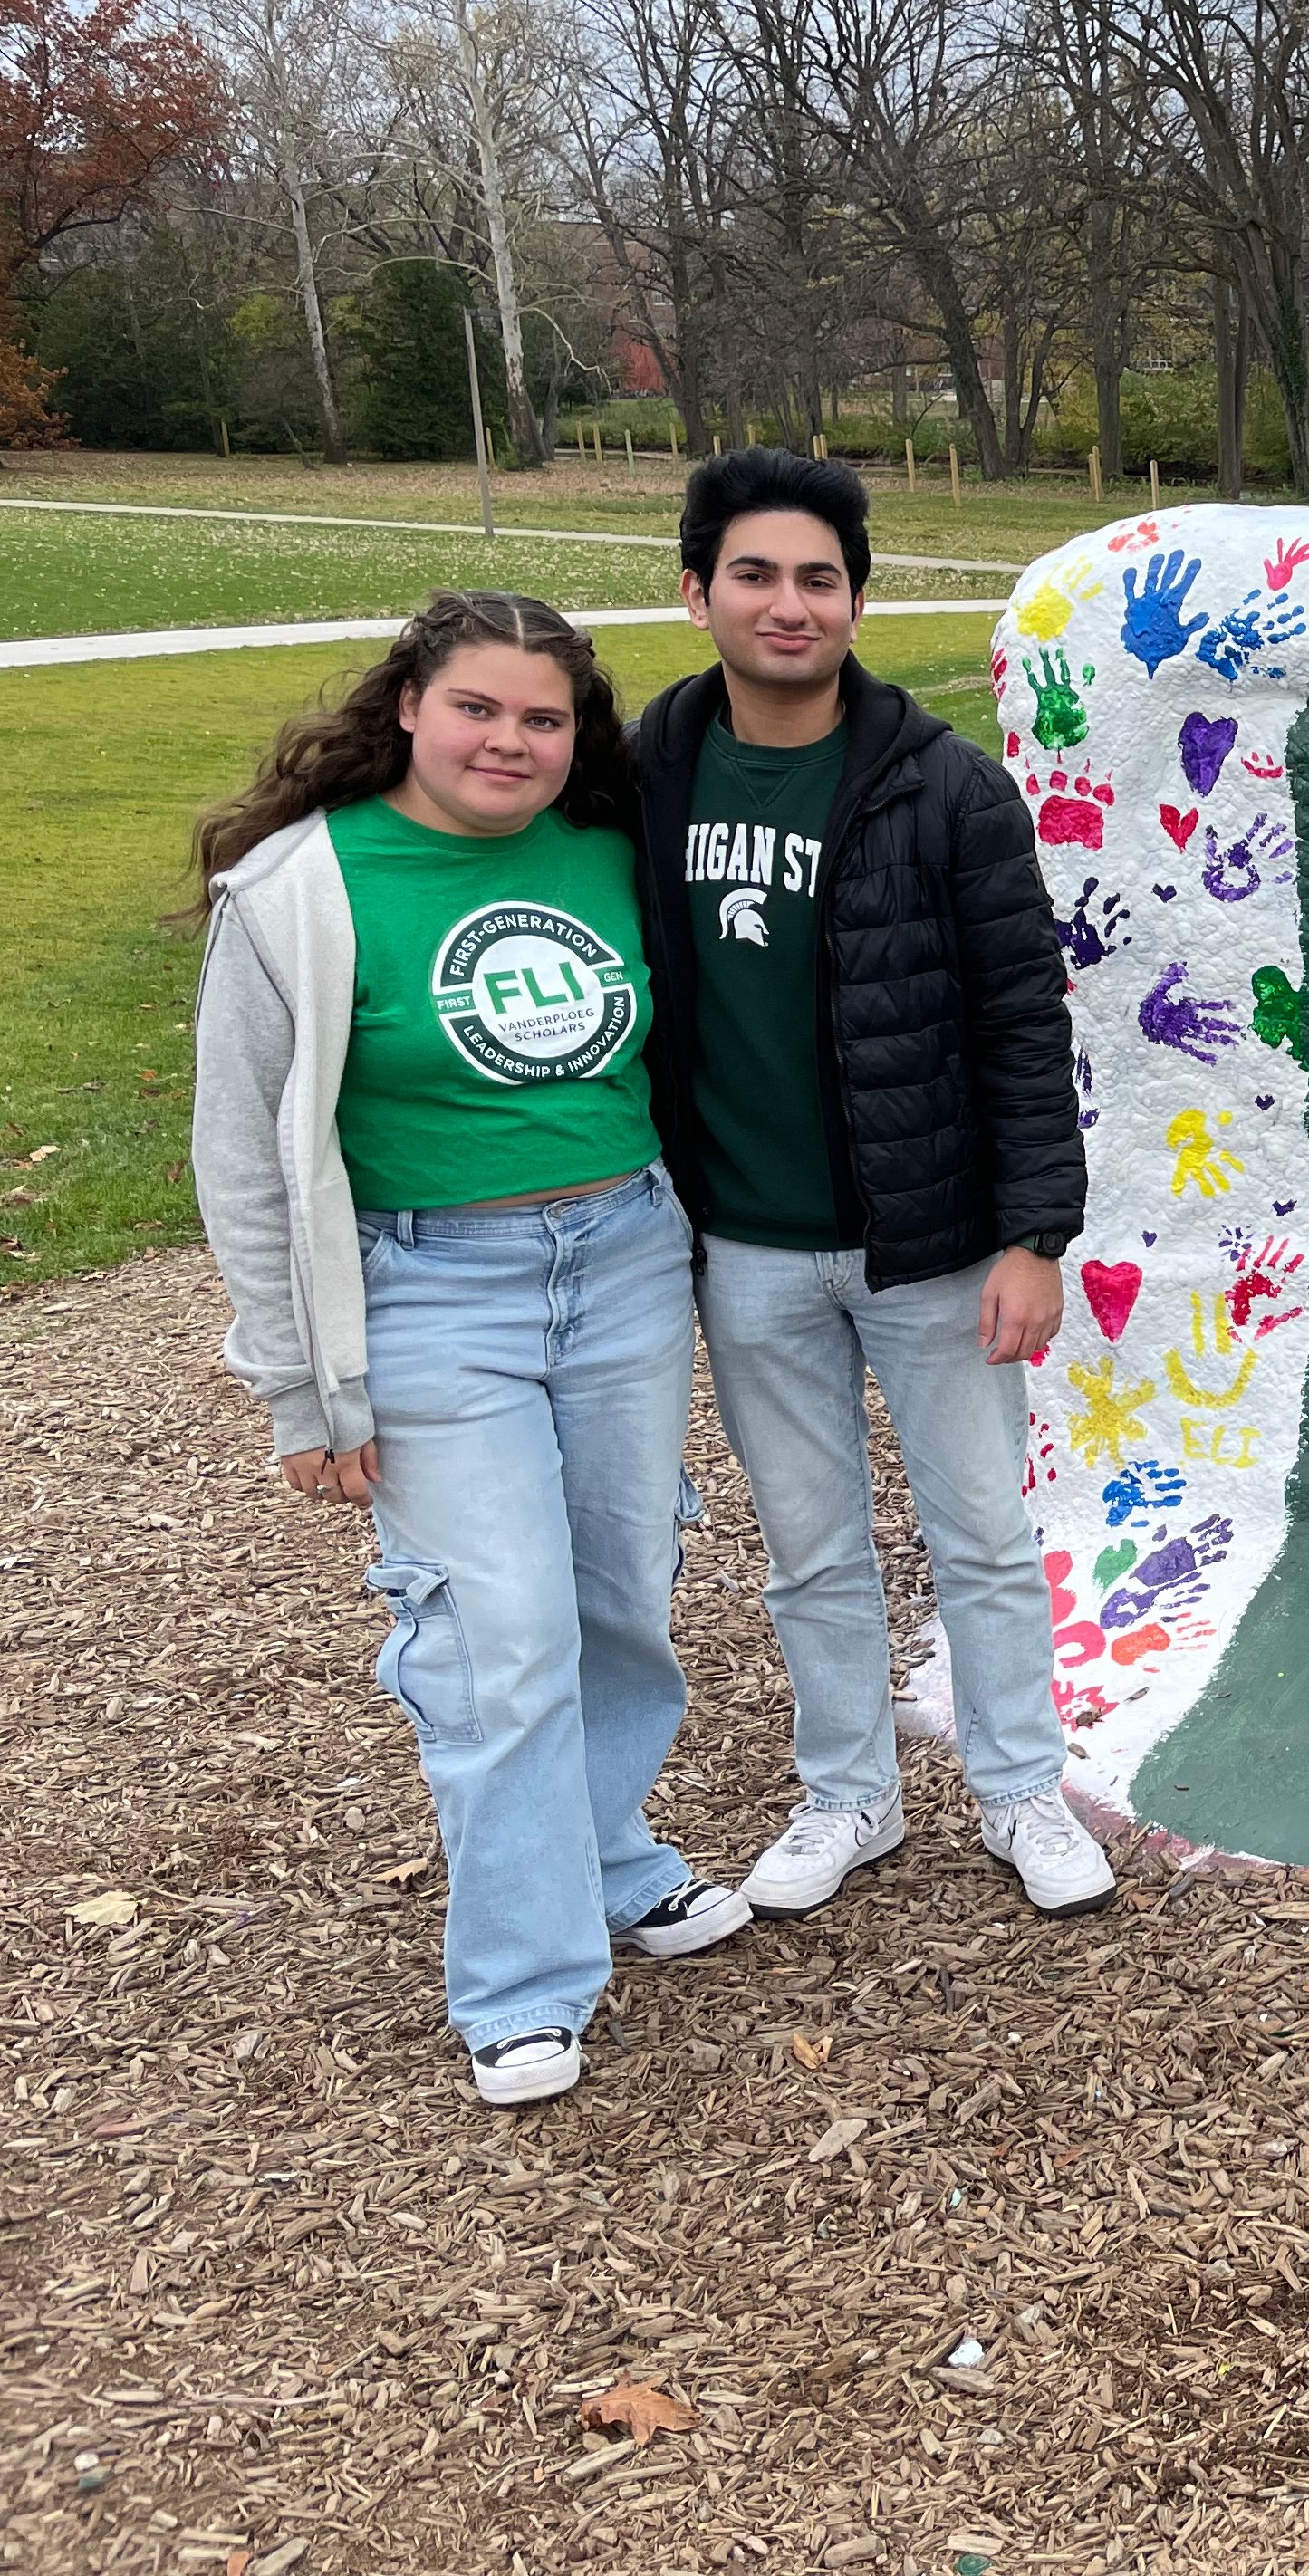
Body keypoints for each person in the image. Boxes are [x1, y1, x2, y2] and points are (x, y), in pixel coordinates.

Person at [189, 591, 747, 2110]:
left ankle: (612, 1852)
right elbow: (242, 1160)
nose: (511, 741)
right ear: (412, 708)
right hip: (432, 1289)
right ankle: (521, 1977)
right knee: (499, 1635)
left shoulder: (610, 854)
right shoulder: (298, 886)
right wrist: (301, 1388)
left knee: (624, 1591)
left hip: (624, 1257)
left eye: (545, 718)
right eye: (481, 709)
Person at [630, 447, 1111, 1920]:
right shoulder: (644, 773)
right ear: (699, 588)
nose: (790, 605)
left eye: (819, 579)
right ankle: (850, 1792)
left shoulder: (946, 789)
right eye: (757, 575)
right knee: (810, 1547)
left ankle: (1022, 1788)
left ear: (856, 597)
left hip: (932, 1243)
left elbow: (1026, 1019)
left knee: (978, 1532)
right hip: (746, 1246)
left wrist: (1035, 1234)